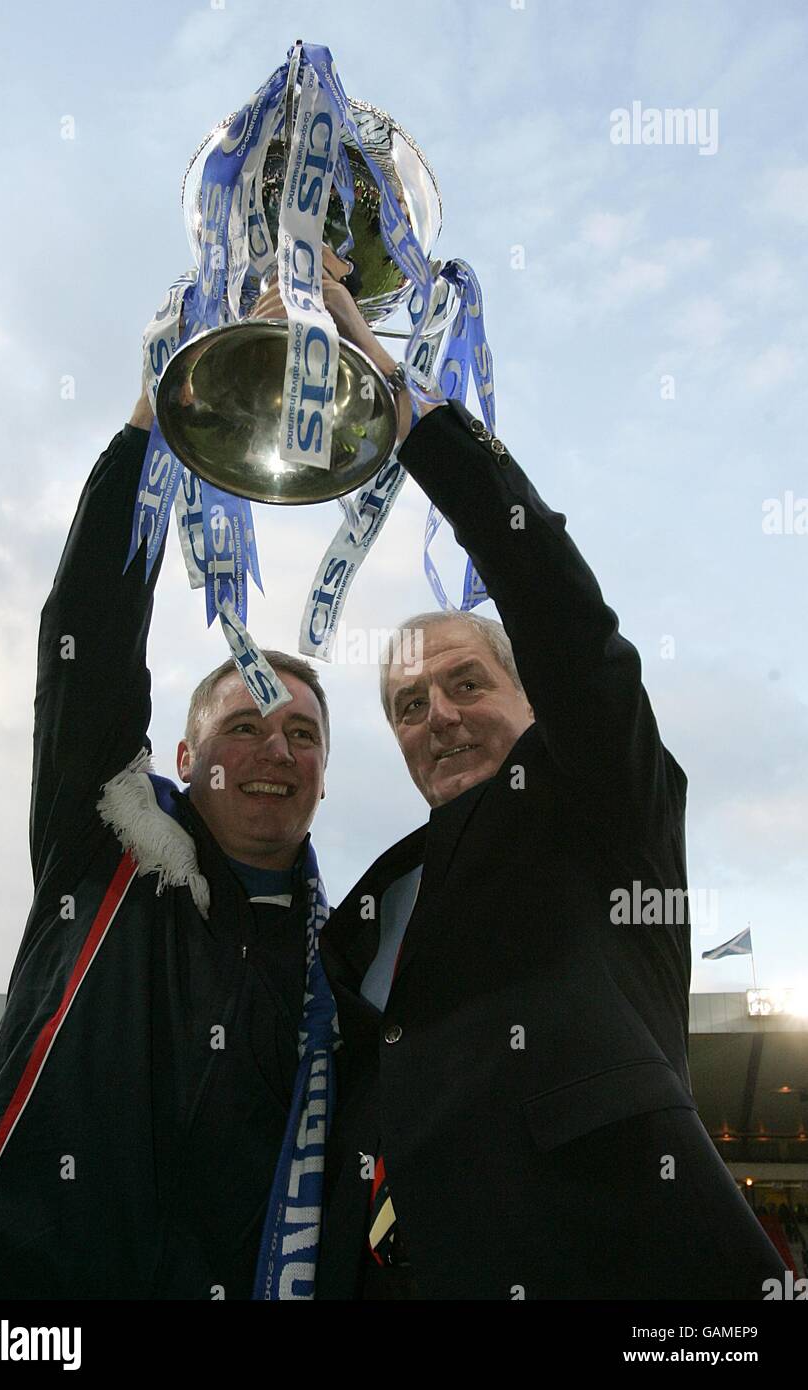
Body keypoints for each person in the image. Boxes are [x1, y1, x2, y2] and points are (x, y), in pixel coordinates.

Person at [303, 294, 789, 1300]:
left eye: (465, 682)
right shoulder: (364, 914)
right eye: (404, 703)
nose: (434, 713)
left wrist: (414, 421)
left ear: (530, 696)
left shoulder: (601, 803)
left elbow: (564, 615)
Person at [0, 361, 335, 1298]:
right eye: (243, 726)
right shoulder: (104, 840)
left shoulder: (338, 973)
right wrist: (149, 441)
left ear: (324, 774)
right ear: (184, 762)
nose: (274, 749)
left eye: (301, 734)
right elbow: (90, 634)